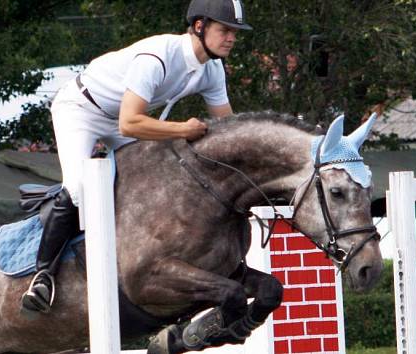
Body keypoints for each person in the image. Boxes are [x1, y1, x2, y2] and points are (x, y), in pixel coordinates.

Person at [21, 0, 253, 313]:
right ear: (200, 26)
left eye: (235, 33)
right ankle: (42, 276)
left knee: (153, 182)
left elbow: (228, 128)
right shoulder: (158, 56)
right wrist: (182, 129)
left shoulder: (211, 70)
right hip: (82, 110)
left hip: (122, 120)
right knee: (79, 188)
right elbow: (129, 123)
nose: (231, 38)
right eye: (225, 30)